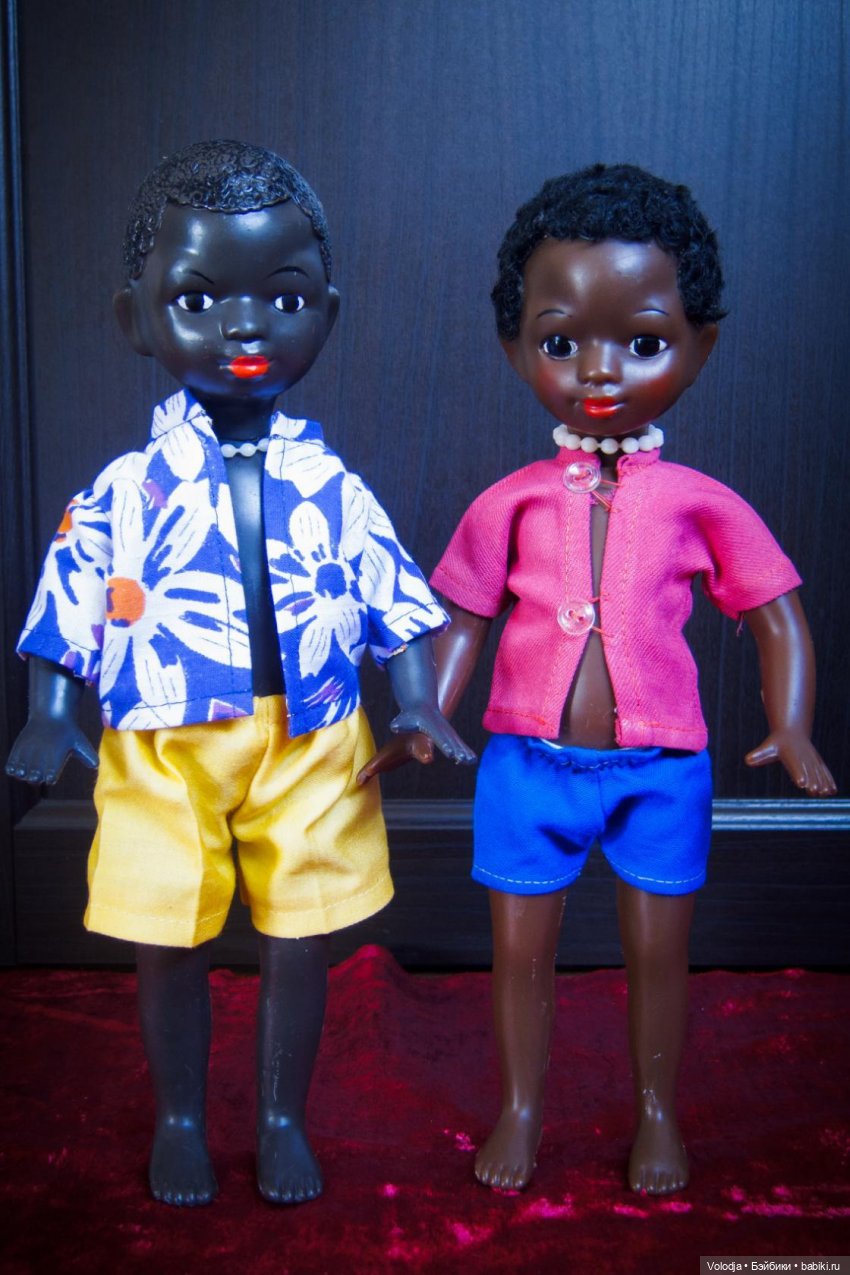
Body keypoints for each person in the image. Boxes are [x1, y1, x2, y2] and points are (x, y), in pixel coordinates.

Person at [6, 140, 473, 1207]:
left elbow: (389, 591)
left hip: (312, 737)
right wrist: (50, 707)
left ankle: (278, 1117)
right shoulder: (124, 489)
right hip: (162, 742)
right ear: (135, 318)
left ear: (326, 316)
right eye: (198, 300)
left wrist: (415, 703)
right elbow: (71, 591)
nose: (245, 327)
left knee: (299, 934)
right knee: (167, 931)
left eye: (284, 299)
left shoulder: (334, 485)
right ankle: (179, 1117)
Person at [359, 163, 835, 1196]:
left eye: (645, 342)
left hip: (660, 770)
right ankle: (521, 1109)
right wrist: (425, 711)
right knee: (519, 954)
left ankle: (657, 1112)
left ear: (700, 346)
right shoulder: (510, 503)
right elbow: (461, 616)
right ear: (514, 346)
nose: (599, 372)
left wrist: (791, 722)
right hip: (528, 766)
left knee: (658, 954)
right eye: (561, 342)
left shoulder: (702, 503)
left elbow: (775, 610)